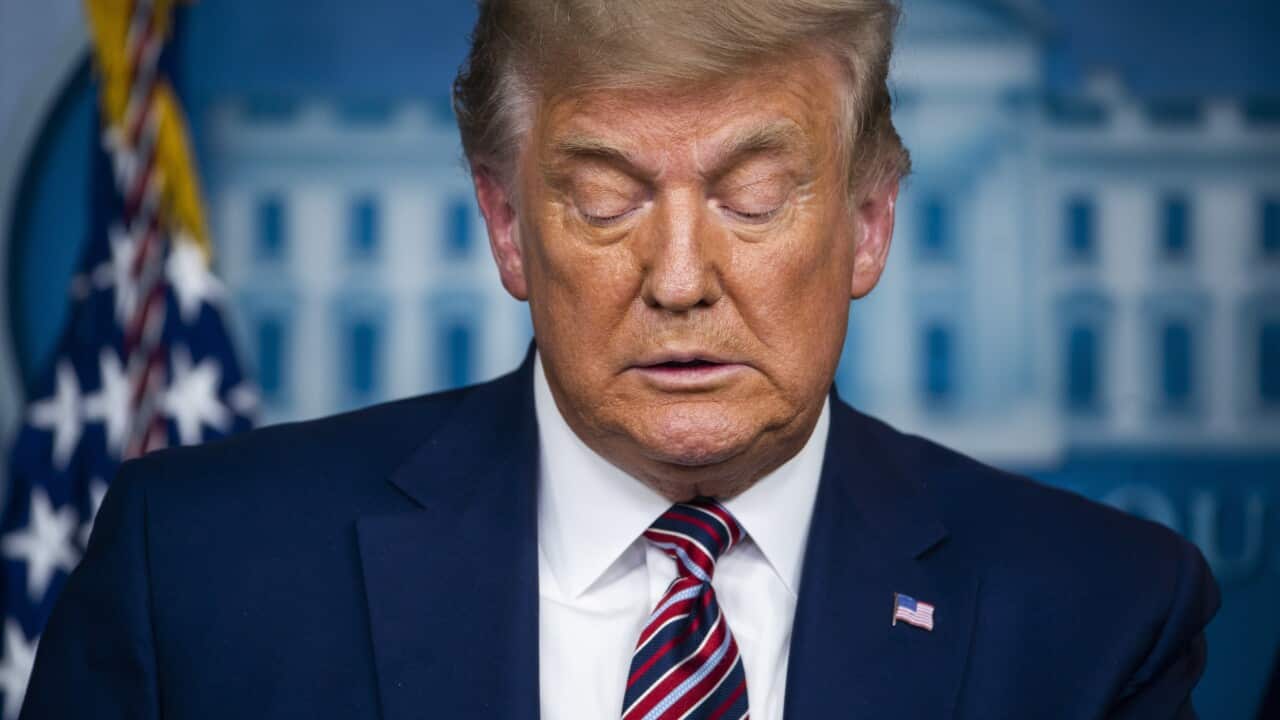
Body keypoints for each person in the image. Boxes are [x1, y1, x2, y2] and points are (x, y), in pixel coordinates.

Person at [22, 1, 1219, 718]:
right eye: (605, 200)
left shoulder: (1094, 619)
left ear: (867, 223)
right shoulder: (198, 576)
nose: (681, 276)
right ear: (505, 225)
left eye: (753, 199)